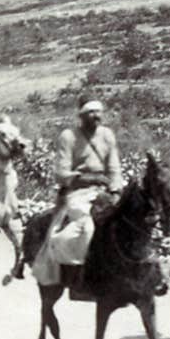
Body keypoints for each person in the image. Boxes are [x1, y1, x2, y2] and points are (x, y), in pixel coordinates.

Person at [30, 93, 122, 287]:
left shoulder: (107, 135)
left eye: (98, 111)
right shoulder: (69, 136)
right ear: (81, 115)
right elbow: (61, 173)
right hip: (77, 193)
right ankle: (82, 274)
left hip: (103, 191)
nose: (96, 115)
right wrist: (86, 177)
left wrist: (116, 190)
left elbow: (114, 168)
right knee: (86, 227)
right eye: (91, 112)